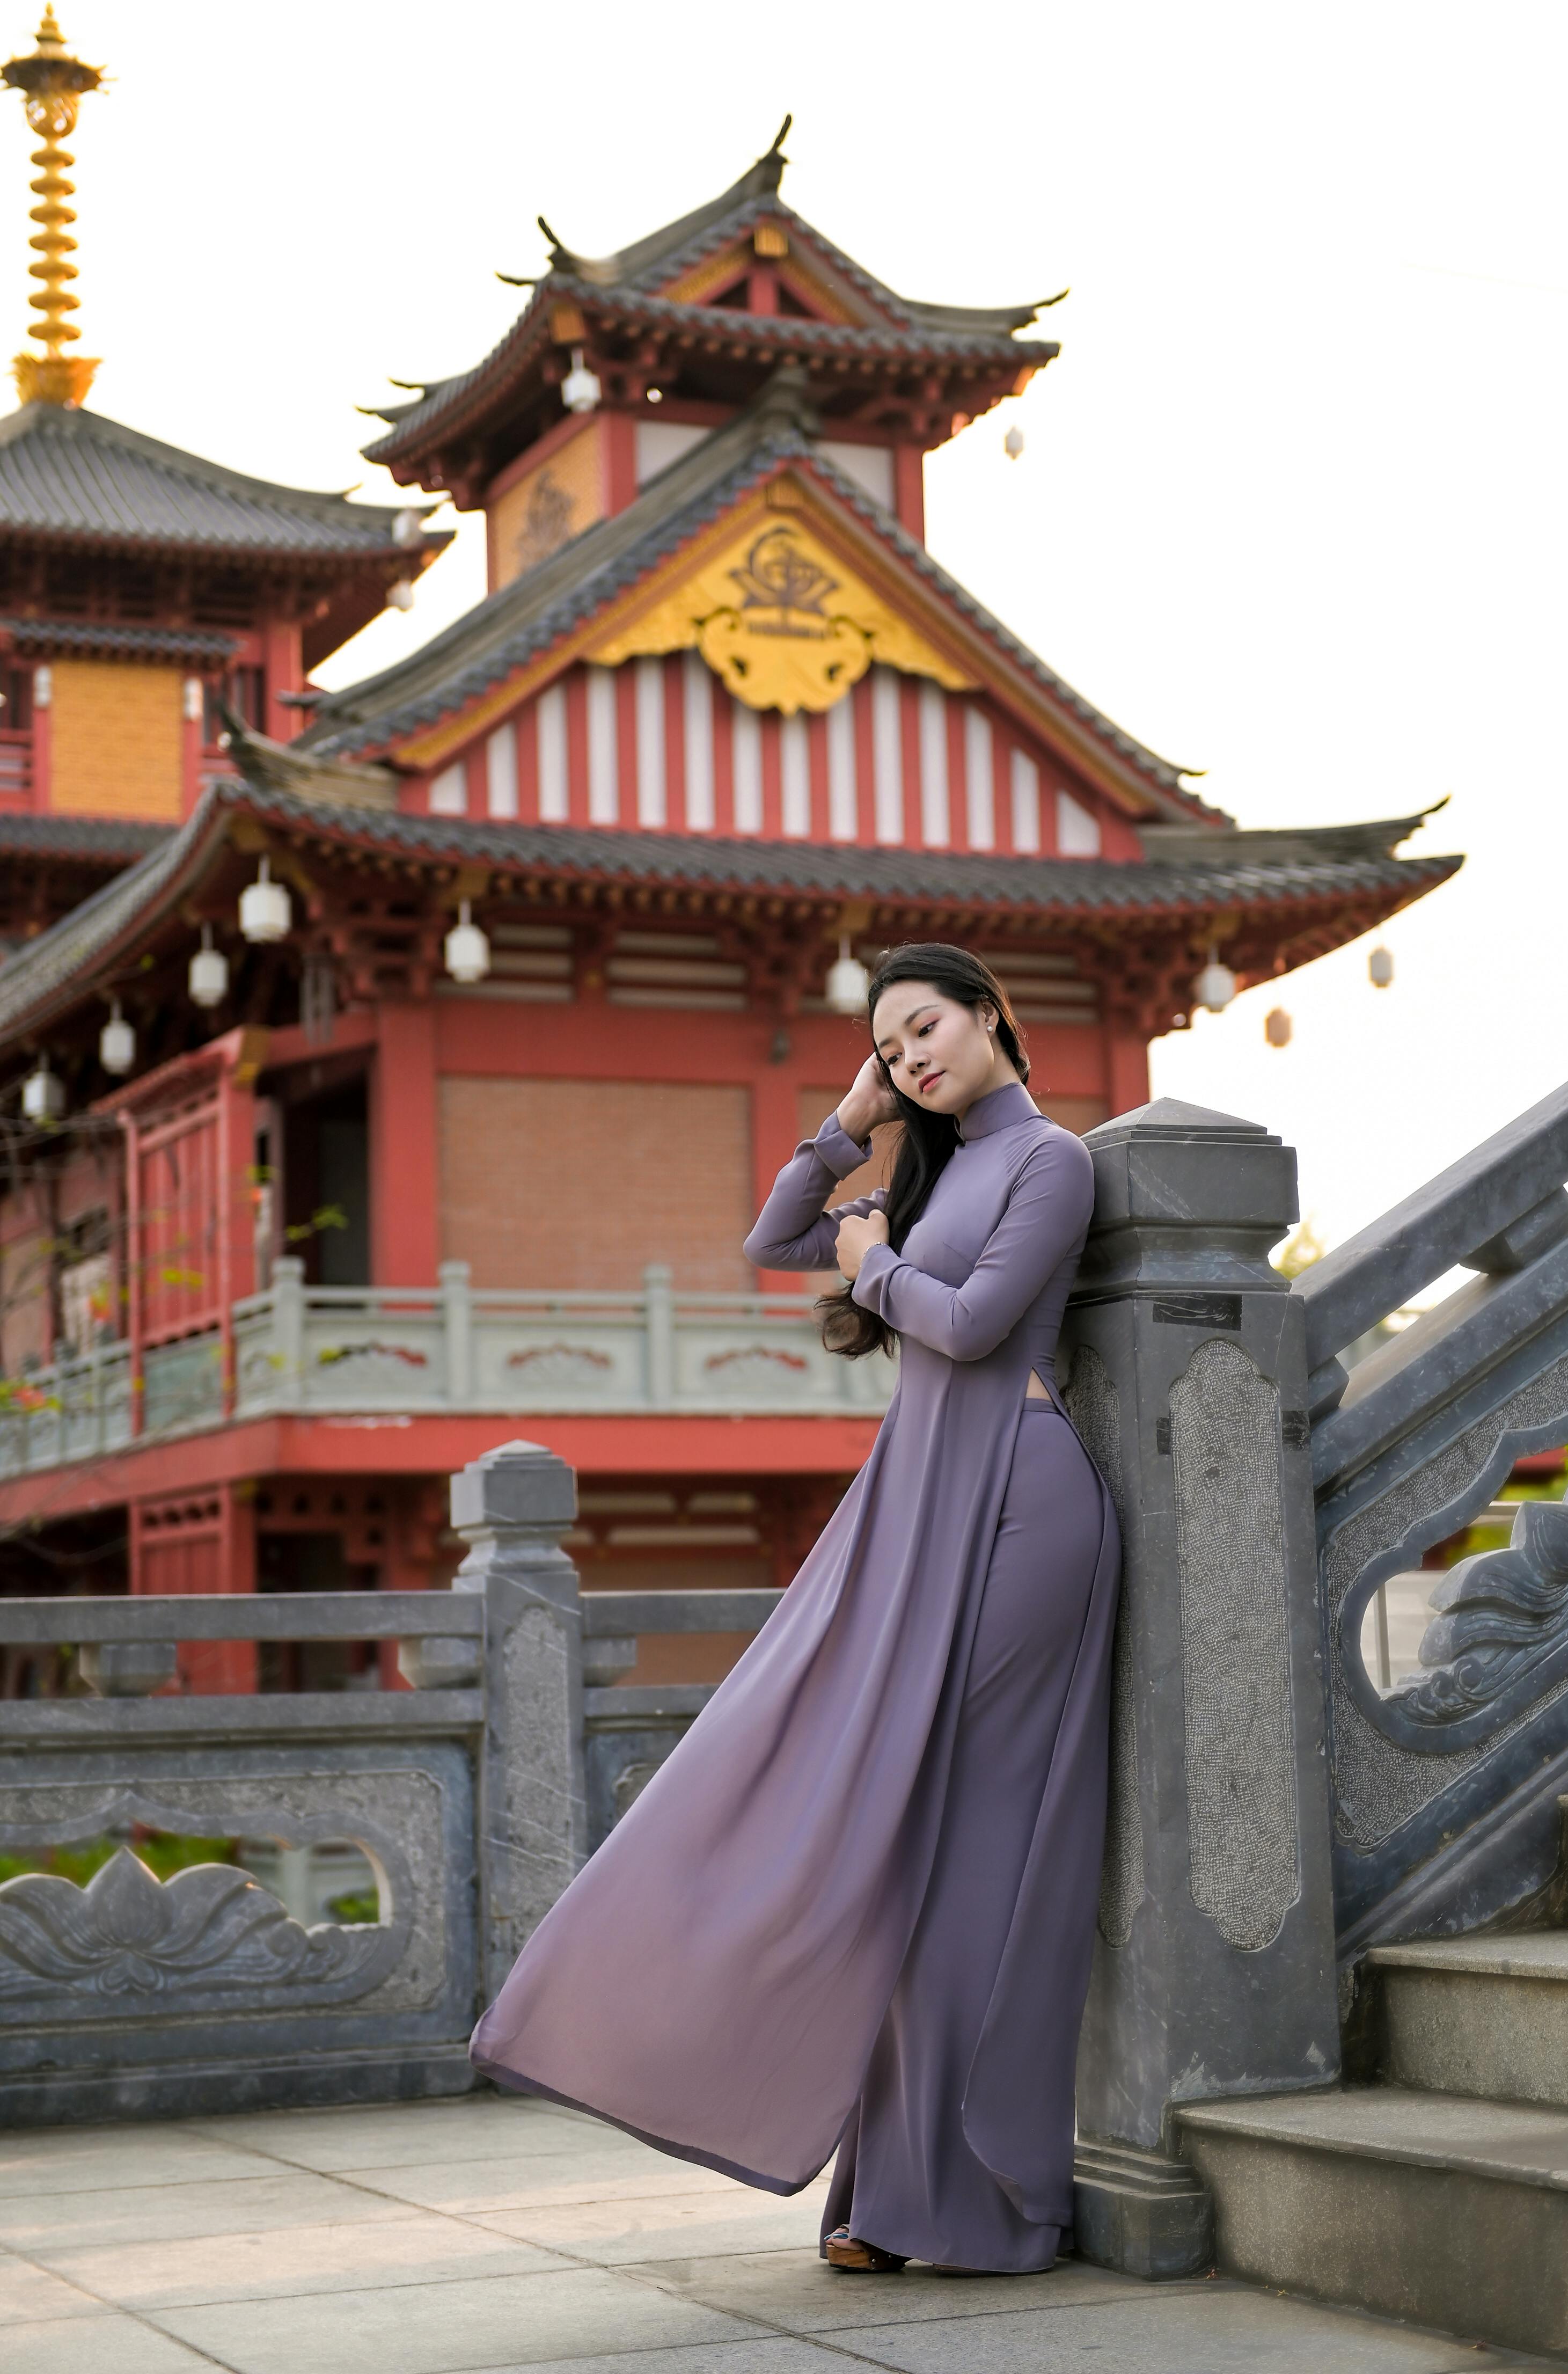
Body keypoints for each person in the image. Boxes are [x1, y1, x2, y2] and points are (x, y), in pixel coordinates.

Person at [470, 943, 1120, 2277]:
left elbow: (981, 1321)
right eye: (889, 1046)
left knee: (965, 1852)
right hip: (917, 1505)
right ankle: (887, 2194)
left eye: (926, 1026)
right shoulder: (922, 1161)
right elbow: (772, 1241)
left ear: (994, 1013)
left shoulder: (1051, 1159)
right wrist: (845, 1131)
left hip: (1017, 1502)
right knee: (872, 1830)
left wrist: (877, 1263)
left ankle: (974, 2195)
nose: (912, 1055)